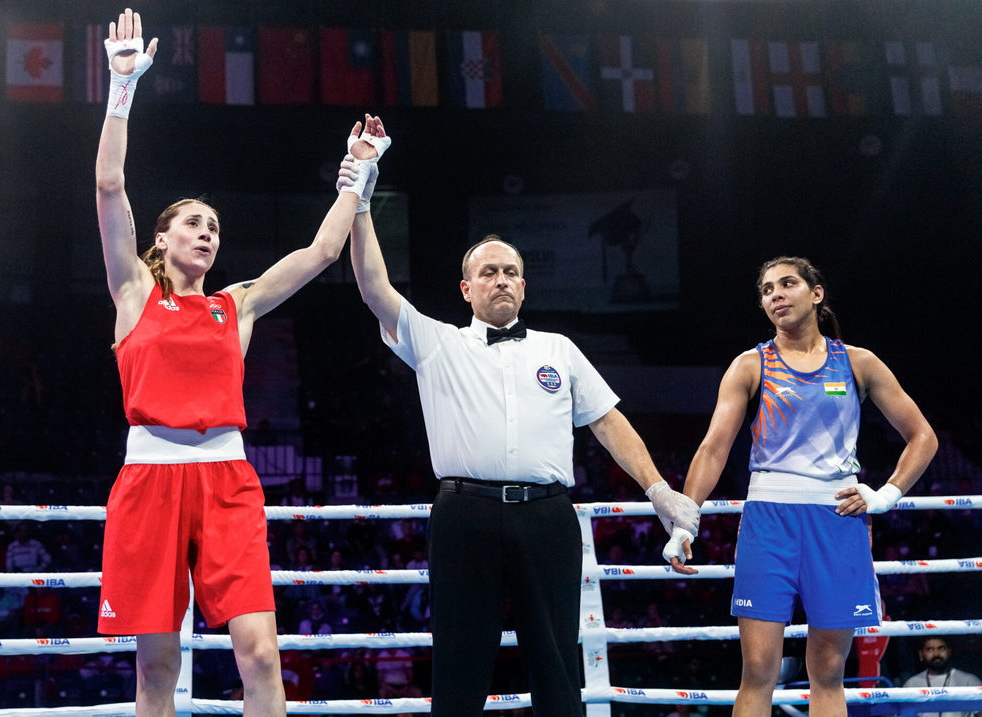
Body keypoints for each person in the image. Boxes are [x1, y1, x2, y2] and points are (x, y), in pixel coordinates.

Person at [338, 116, 699, 715]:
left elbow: (608, 422)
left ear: (524, 287)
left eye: (510, 272)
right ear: (466, 290)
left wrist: (658, 490)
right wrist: (364, 191)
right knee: (459, 662)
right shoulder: (436, 342)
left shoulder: (559, 348)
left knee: (557, 662)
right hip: (464, 515)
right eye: (488, 272)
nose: (500, 279)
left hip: (548, 516)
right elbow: (373, 285)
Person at [93, 9, 379, 716]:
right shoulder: (133, 290)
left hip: (227, 481)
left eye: (215, 228)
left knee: (261, 655)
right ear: (162, 236)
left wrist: (360, 176)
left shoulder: (236, 305)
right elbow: (107, 187)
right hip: (149, 480)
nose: (208, 233)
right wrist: (121, 88)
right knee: (157, 667)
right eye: (194, 221)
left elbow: (318, 255)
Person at [665, 256, 938, 717]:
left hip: (838, 519)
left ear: (816, 293)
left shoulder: (858, 363)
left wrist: (886, 494)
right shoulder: (749, 365)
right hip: (768, 520)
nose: (775, 294)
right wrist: (684, 520)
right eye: (767, 289)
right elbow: (713, 448)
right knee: (758, 669)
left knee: (829, 671)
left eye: (787, 283)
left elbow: (923, 436)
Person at [903, 637, 982, 717]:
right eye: (930, 649)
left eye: (941, 648)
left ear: (949, 651)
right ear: (921, 654)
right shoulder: (912, 683)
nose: (936, 654)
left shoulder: (969, 681)